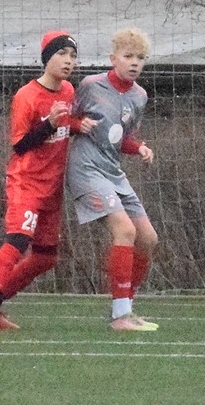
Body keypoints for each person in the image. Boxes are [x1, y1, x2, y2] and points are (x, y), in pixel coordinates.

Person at [0, 31, 94, 331]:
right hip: (26, 182)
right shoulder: (27, 96)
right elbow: (20, 144)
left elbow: (66, 124)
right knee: (18, 240)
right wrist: (49, 124)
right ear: (47, 58)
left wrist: (79, 124)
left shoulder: (68, 91)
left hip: (52, 187)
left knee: (46, 257)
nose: (69, 61)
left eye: (73, 56)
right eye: (62, 54)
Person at [69, 28, 161, 332]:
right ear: (113, 58)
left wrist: (140, 148)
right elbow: (65, 120)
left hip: (112, 171)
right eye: (128, 56)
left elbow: (121, 138)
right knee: (124, 230)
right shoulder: (91, 85)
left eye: (140, 58)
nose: (134, 63)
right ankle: (120, 316)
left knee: (148, 239)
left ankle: (125, 308)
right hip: (86, 167)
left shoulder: (139, 96)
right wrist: (76, 124)